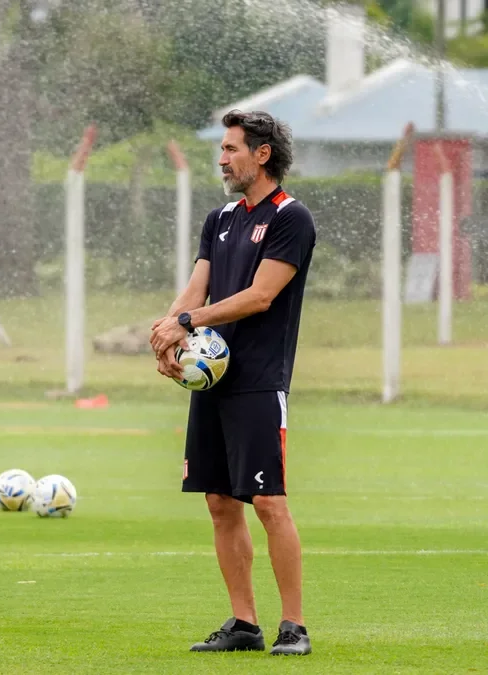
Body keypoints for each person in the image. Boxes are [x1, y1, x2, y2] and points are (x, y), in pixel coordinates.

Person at [150, 110, 316, 656]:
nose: (221, 159)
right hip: (211, 381)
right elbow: (196, 287)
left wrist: (187, 322)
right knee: (220, 502)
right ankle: (244, 624)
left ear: (262, 154)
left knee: (267, 501)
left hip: (259, 382)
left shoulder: (291, 217)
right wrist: (168, 333)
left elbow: (260, 296)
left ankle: (294, 626)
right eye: (221, 149)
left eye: (230, 149)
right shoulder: (219, 218)